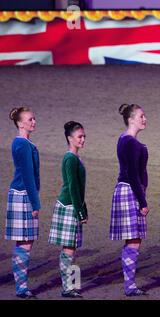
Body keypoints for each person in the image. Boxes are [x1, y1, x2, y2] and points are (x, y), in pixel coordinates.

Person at [110, 104, 150, 296]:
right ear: (131, 119)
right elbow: (134, 175)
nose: (144, 119)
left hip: (125, 190)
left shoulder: (124, 139)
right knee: (134, 240)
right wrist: (142, 202)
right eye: (141, 116)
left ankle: (130, 284)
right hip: (130, 192)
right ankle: (130, 285)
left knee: (132, 240)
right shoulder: (132, 143)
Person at [48, 121, 88, 298]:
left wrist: (83, 208)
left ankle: (70, 286)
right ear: (69, 138)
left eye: (84, 136)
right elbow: (72, 187)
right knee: (69, 249)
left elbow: (78, 188)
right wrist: (80, 211)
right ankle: (67, 287)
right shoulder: (70, 158)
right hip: (69, 206)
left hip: (73, 205)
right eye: (80, 136)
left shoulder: (74, 157)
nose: (83, 139)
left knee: (71, 248)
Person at [6, 107, 40, 299]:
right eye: (29, 119)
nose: (33, 122)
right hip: (23, 195)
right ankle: (21, 288)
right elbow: (28, 175)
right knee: (25, 242)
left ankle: (21, 286)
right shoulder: (23, 144)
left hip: (22, 194)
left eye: (34, 118)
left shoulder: (23, 143)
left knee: (25, 241)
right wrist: (35, 203)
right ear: (20, 123)